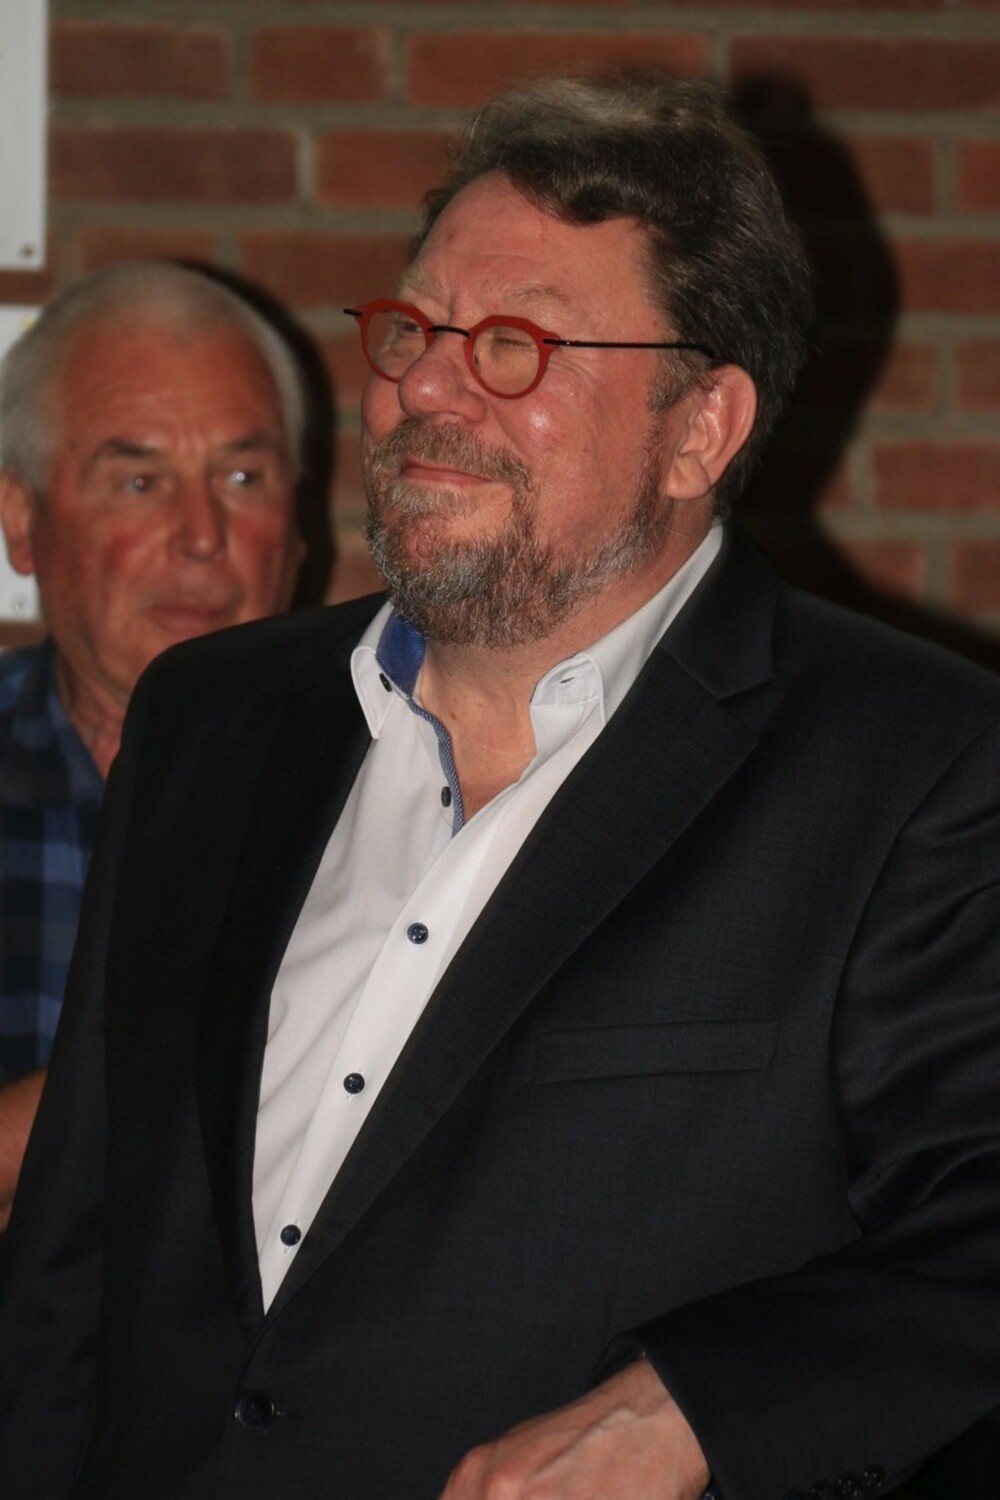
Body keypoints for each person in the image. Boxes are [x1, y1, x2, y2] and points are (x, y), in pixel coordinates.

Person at [2, 71, 1000, 1500]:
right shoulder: (213, 719)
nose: (423, 386)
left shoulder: (916, 767)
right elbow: (74, 1260)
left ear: (699, 430)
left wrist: (686, 1414)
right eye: (414, 328)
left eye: (517, 345)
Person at [0, 261, 307, 1226]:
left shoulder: (393, 793)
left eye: (244, 477)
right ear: (22, 521)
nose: (202, 535)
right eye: (140, 481)